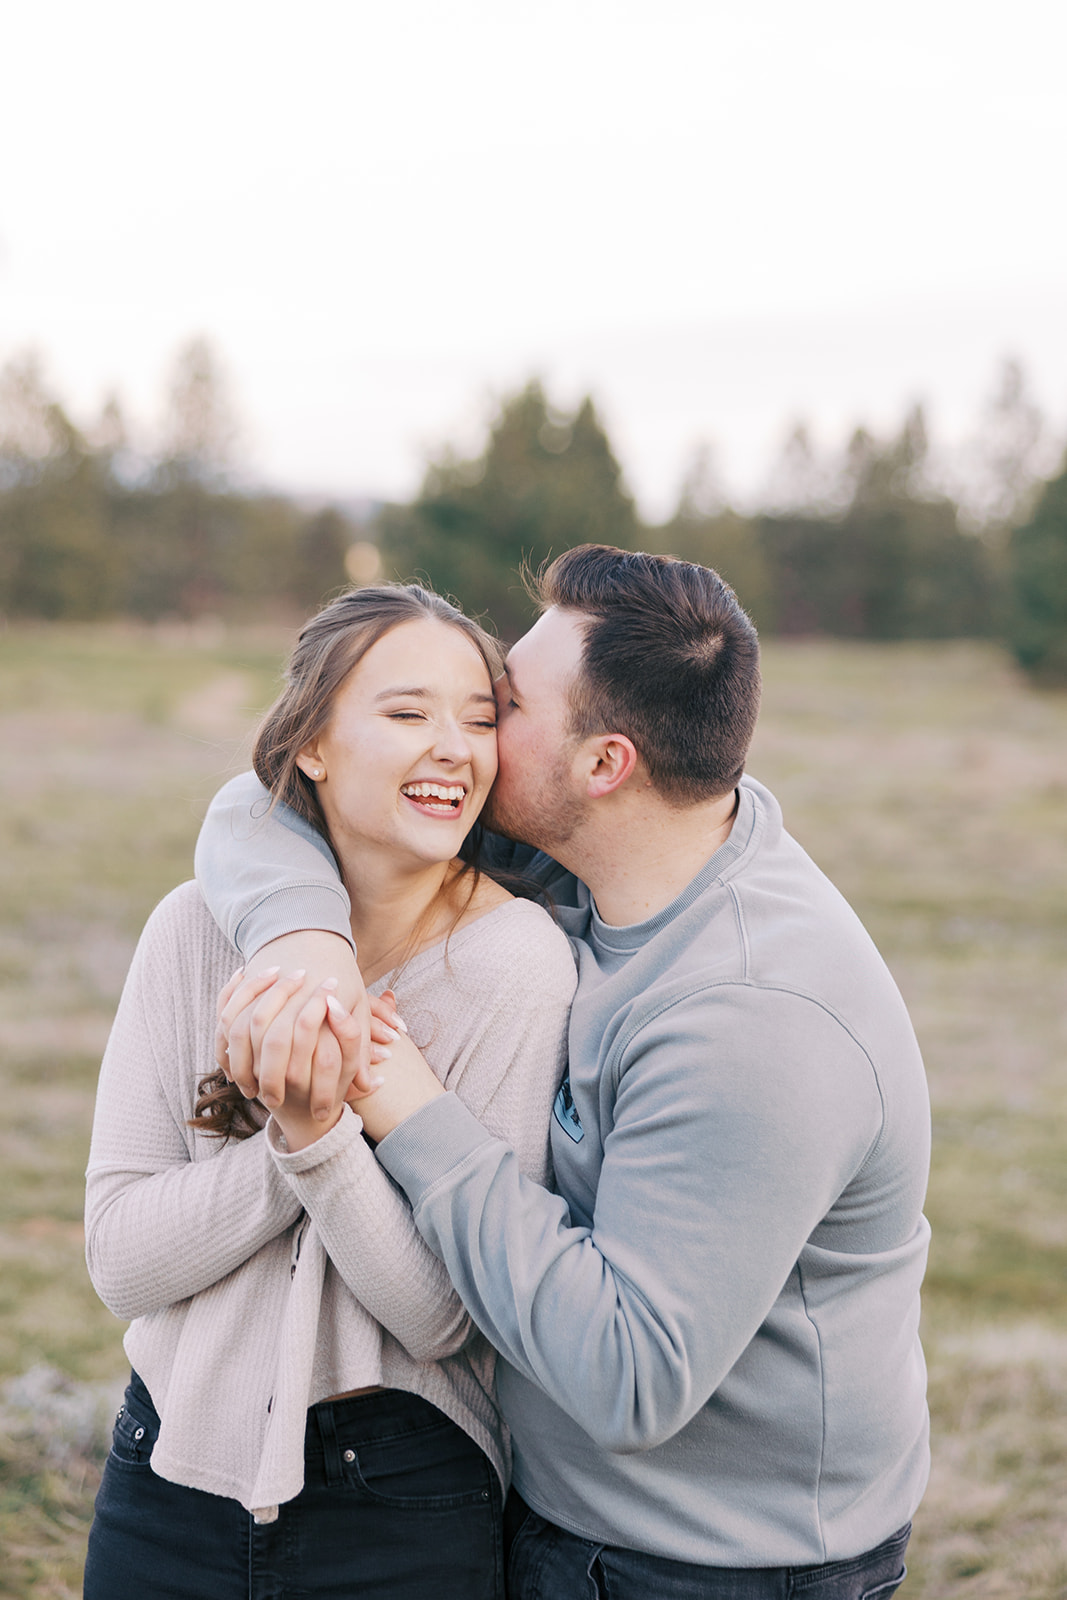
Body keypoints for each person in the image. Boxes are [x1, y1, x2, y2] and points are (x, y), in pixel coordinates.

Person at [197, 545, 931, 1600]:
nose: (467, 739)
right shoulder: (618, 850)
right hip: (558, 1513)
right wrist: (305, 940)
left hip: (709, 1566)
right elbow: (260, 803)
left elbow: (629, 1380)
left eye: (499, 708)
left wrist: (414, 1111)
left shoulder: (754, 1018)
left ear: (604, 765)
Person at [83, 585, 576, 1600]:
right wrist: (300, 1141)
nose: (453, 749)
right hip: (165, 1470)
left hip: (401, 1494)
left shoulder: (515, 964)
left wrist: (316, 1130)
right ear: (311, 742)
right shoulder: (191, 930)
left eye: (478, 719)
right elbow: (122, 1262)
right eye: (406, 712)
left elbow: (442, 1320)